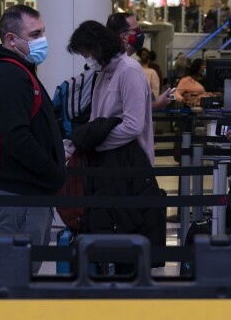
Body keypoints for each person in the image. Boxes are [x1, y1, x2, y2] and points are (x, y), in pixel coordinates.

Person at [0, 5, 65, 272]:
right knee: (15, 275)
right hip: (20, 194)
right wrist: (52, 170)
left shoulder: (19, 69)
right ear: (11, 39)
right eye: (34, 34)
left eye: (43, 32)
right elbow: (16, 136)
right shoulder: (10, 75)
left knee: (20, 274)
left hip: (24, 190)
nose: (42, 39)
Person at [67, 21, 164, 251]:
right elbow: (94, 119)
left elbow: (133, 125)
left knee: (128, 230)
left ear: (99, 47)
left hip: (130, 167)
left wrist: (96, 144)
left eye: (86, 52)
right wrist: (75, 145)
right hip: (108, 166)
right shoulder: (102, 73)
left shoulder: (129, 70)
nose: (86, 58)